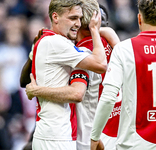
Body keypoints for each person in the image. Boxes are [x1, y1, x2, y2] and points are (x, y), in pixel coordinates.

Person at [90, 0, 156, 150]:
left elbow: (109, 97)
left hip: (133, 144)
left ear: (139, 19)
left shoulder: (124, 49)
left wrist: (95, 137)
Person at [25, 1, 120, 150]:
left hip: (75, 134)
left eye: (79, 18)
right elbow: (79, 90)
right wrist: (98, 30)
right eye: (73, 18)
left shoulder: (76, 49)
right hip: (61, 135)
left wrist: (36, 90)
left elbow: (23, 80)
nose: (76, 23)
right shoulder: (100, 45)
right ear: (55, 17)